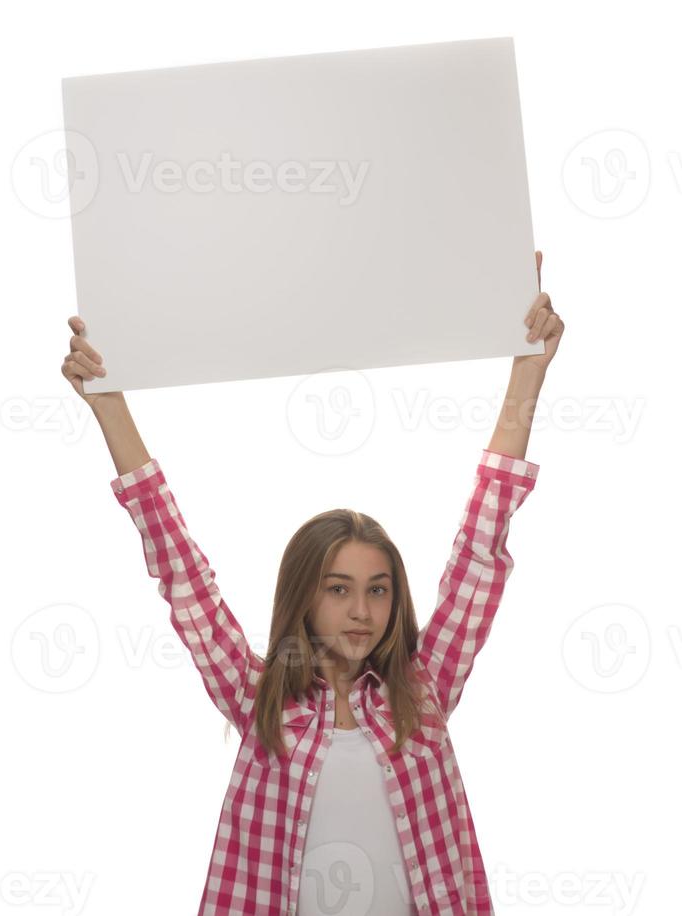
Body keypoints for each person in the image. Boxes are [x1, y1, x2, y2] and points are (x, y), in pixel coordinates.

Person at [61, 250, 564, 916]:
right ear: (304, 596)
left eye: (378, 589)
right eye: (338, 588)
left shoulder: (427, 689)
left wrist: (528, 368)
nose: (361, 610)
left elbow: (481, 547)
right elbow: (180, 571)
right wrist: (108, 405)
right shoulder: (257, 698)